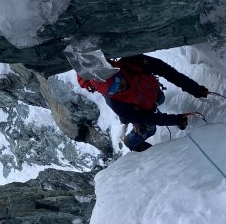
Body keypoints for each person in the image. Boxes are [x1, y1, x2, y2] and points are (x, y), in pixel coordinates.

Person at [76, 54, 210, 152]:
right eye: (116, 90)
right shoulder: (115, 102)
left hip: (149, 92)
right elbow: (145, 117)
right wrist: (176, 119)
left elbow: (167, 71)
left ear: (118, 72)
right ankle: (132, 142)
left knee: (160, 99)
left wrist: (194, 88)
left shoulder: (133, 63)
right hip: (139, 110)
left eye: (120, 83)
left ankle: (153, 103)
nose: (123, 88)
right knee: (149, 128)